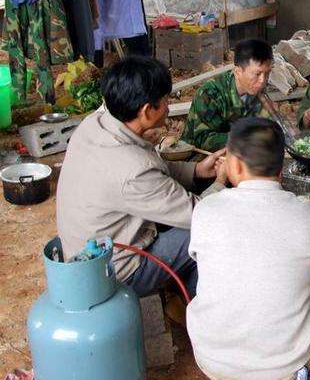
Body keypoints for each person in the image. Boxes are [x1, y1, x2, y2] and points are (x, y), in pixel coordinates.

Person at [187, 118, 310, 380]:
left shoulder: (205, 209)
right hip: (282, 368)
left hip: (213, 360)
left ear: (235, 165)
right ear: (281, 166)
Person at [56, 57, 226, 299]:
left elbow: (154, 169)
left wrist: (196, 170)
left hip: (87, 247)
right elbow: (200, 215)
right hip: (117, 272)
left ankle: (186, 294)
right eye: (166, 101)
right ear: (147, 111)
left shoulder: (97, 123)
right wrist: (221, 179)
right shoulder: (133, 169)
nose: (168, 107)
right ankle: (203, 311)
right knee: (206, 233)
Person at [181, 38, 273, 151]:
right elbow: (202, 139)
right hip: (199, 158)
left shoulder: (256, 90)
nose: (263, 80)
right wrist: (246, 139)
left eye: (267, 73)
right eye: (257, 74)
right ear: (238, 72)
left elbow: (266, 123)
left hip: (239, 154)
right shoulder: (210, 93)